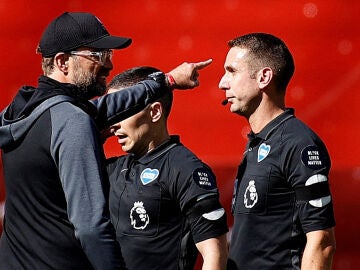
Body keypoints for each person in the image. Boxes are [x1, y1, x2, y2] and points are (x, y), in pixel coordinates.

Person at [0, 11, 212, 270]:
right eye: (98, 56)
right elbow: (90, 228)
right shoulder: (71, 121)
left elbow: (104, 108)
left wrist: (165, 81)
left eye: (109, 56)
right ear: (63, 62)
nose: (109, 66)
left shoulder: (21, 112)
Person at [218, 33, 336, 269]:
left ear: (264, 77)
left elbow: (322, 240)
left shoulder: (299, 143)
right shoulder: (259, 142)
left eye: (232, 71)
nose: (222, 82)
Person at [105, 66, 229, 270]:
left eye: (122, 112)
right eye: (111, 113)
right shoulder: (113, 168)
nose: (113, 124)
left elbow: (215, 253)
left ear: (154, 112)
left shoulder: (186, 169)